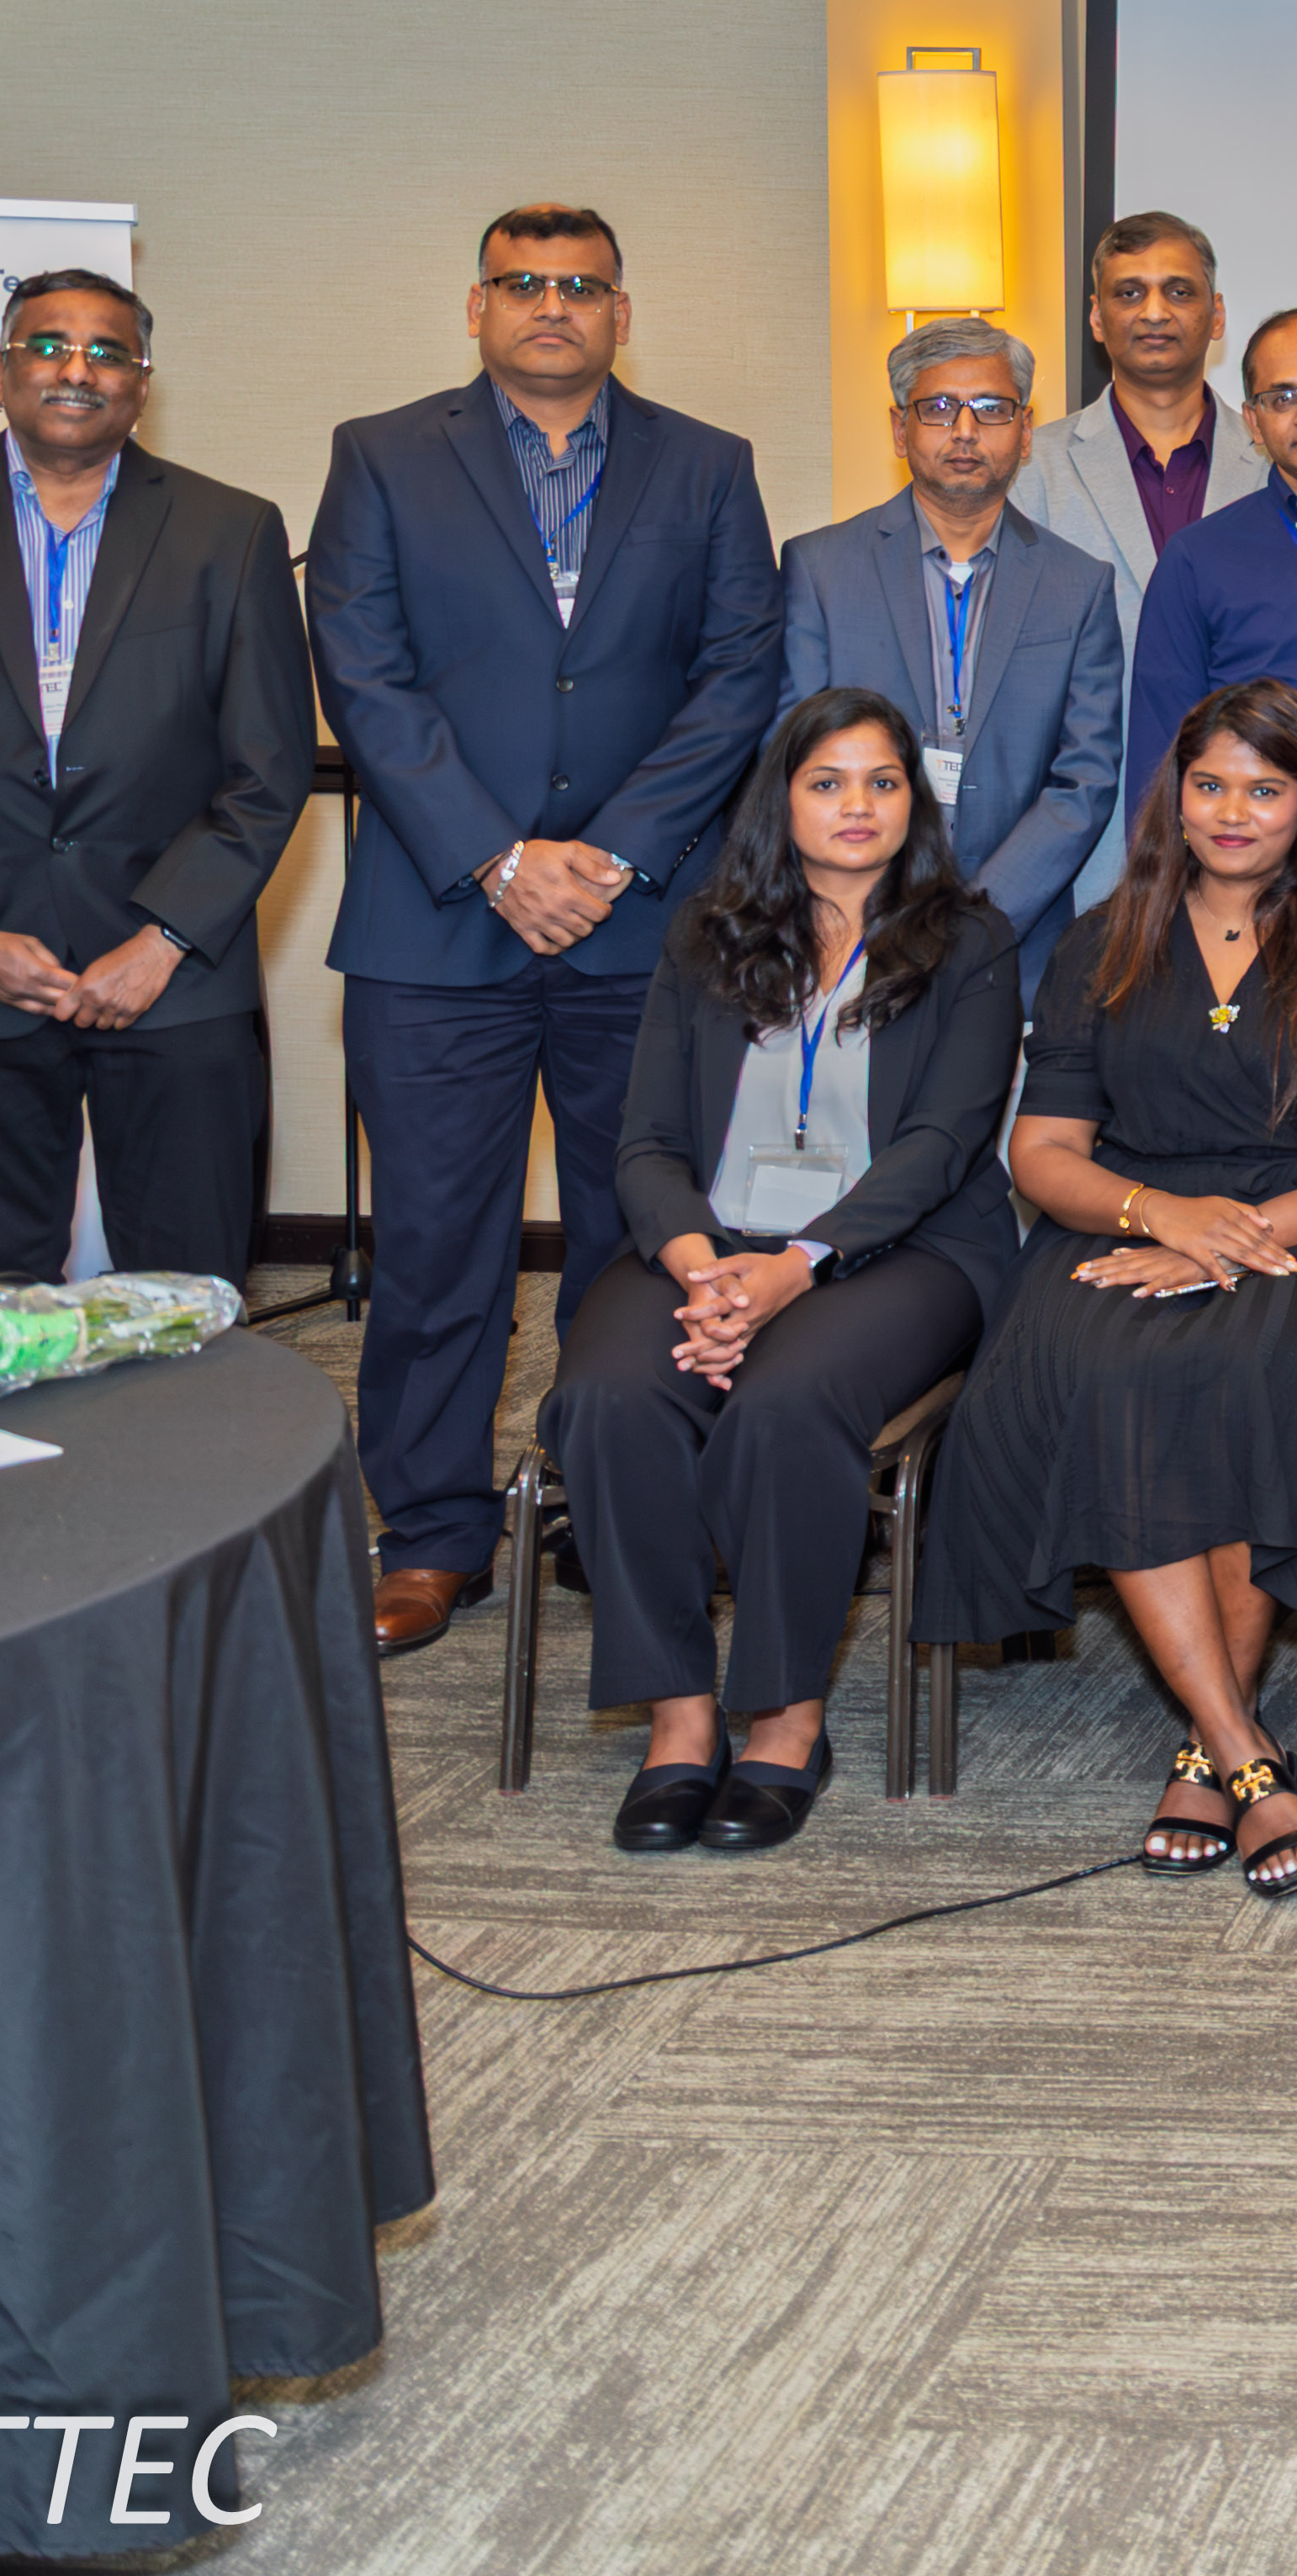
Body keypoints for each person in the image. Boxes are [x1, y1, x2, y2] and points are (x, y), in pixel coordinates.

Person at [309, 204, 783, 1655]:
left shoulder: (707, 467)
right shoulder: (383, 455)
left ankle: (604, 1501)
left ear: (622, 312)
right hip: (438, 927)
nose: (554, 307)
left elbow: (737, 677)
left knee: (631, 1241)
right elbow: (363, 673)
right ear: (477, 306)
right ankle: (434, 1533)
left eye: (582, 287)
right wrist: (498, 858)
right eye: (525, 285)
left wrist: (617, 857)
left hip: (641, 933)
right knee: (439, 1246)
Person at [921, 678, 1297, 1897]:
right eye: (1210, 785)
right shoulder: (1101, 936)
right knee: (1107, 1370)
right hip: (1119, 1222)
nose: (1233, 813)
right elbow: (1043, 1154)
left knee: (1239, 1370)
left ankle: (1215, 1750)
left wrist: (1232, 1234)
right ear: (1176, 796)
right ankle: (1241, 1749)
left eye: (1265, 790)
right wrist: (1162, 1215)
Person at [544, 692, 1022, 1854]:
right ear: (783, 799)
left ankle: (786, 1718)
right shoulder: (706, 933)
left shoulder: (970, 940)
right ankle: (679, 1716)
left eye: (881, 782)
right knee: (607, 1395)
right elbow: (646, 1139)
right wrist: (709, 1267)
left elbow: (941, 1147)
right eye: (827, 781)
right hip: (709, 1245)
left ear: (915, 801)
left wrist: (795, 1269)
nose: (857, 806)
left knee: (784, 1402)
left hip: (895, 1254)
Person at [0, 268, 312, 1278]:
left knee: (188, 1294)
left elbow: (268, 767)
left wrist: (164, 937)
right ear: (1, 372)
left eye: (107, 352)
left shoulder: (231, 530)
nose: (77, 369)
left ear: (143, 384)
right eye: (49, 346)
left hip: (174, 979)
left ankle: (181, 1447)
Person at [781, 321, 1125, 997]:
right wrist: (874, 907)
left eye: (992, 410)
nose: (964, 431)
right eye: (937, 409)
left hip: (1013, 949)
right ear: (898, 429)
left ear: (1026, 433)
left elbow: (1084, 780)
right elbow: (793, 755)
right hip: (851, 933)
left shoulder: (1078, 584)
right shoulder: (819, 568)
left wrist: (972, 924)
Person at [1125, 307, 1297, 780]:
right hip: (1257, 841)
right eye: (1282, 398)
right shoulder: (1197, 558)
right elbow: (1161, 749)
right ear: (1253, 420)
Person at [1019, 212, 1263, 713]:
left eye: (1179, 291)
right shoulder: (1030, 471)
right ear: (1096, 317)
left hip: (1245, 775)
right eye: (1129, 293)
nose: (1154, 312)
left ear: (1217, 316)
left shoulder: (1273, 465)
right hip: (1096, 782)